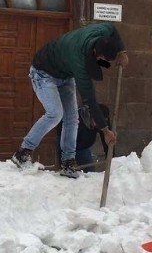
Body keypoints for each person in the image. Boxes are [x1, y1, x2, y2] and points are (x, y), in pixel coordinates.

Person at [11, 23, 127, 178]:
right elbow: (90, 99)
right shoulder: (78, 60)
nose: (100, 60)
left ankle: (68, 162)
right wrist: (105, 130)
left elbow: (112, 28)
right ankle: (23, 153)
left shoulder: (102, 32)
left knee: (72, 118)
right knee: (55, 113)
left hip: (65, 75)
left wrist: (122, 51)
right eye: (100, 58)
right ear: (95, 51)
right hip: (43, 72)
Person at [55, 103, 110, 173]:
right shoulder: (75, 120)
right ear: (92, 116)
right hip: (66, 147)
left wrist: (110, 154)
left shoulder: (99, 122)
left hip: (83, 149)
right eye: (97, 121)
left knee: (90, 172)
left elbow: (106, 136)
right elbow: (62, 143)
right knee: (68, 174)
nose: (98, 125)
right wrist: (66, 162)